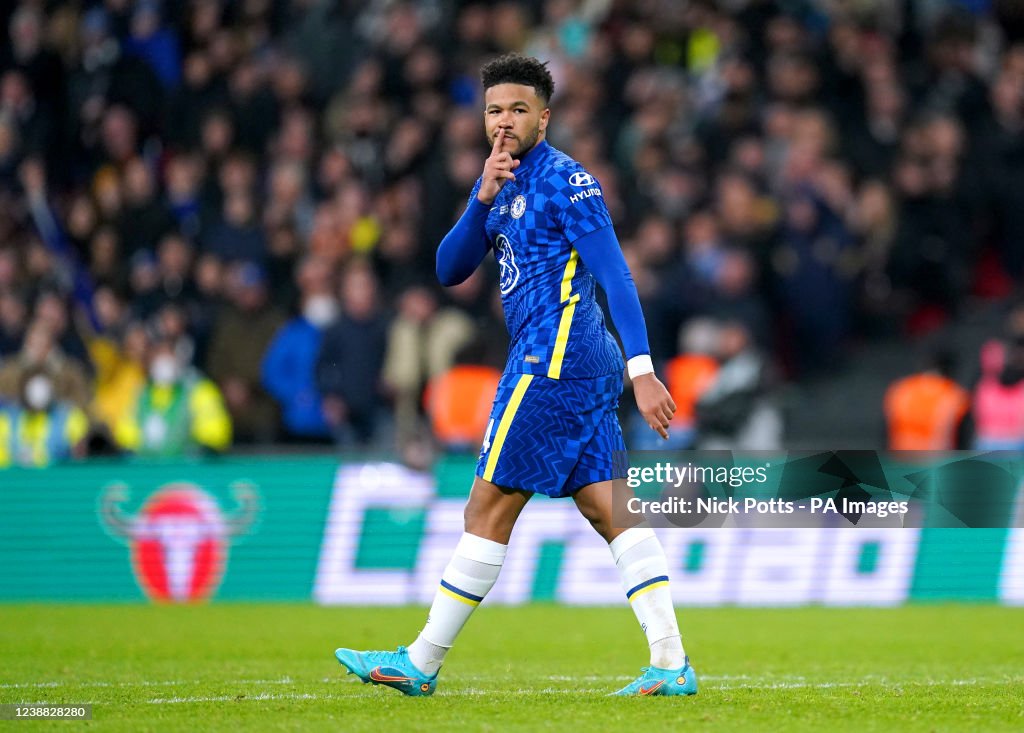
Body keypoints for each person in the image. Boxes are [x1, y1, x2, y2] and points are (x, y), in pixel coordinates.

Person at [334, 54, 696, 698]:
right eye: (495, 110)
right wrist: (481, 197)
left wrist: (644, 371)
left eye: (518, 110)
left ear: (544, 117)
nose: (504, 122)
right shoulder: (500, 185)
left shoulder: (567, 181)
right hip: (569, 361)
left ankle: (421, 661)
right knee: (609, 509)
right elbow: (449, 270)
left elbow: (616, 275)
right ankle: (671, 665)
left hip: (555, 358)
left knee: (487, 505)